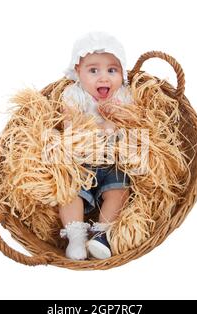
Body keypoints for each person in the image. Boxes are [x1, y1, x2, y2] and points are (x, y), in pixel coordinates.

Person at [59, 32, 132, 260]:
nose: (104, 78)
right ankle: (77, 238)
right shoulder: (75, 94)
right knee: (69, 192)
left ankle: (102, 236)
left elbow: (132, 123)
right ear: (78, 73)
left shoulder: (124, 96)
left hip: (112, 160)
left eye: (112, 70)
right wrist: (100, 125)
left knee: (120, 192)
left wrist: (116, 118)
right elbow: (69, 124)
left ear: (123, 73)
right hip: (80, 161)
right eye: (93, 71)